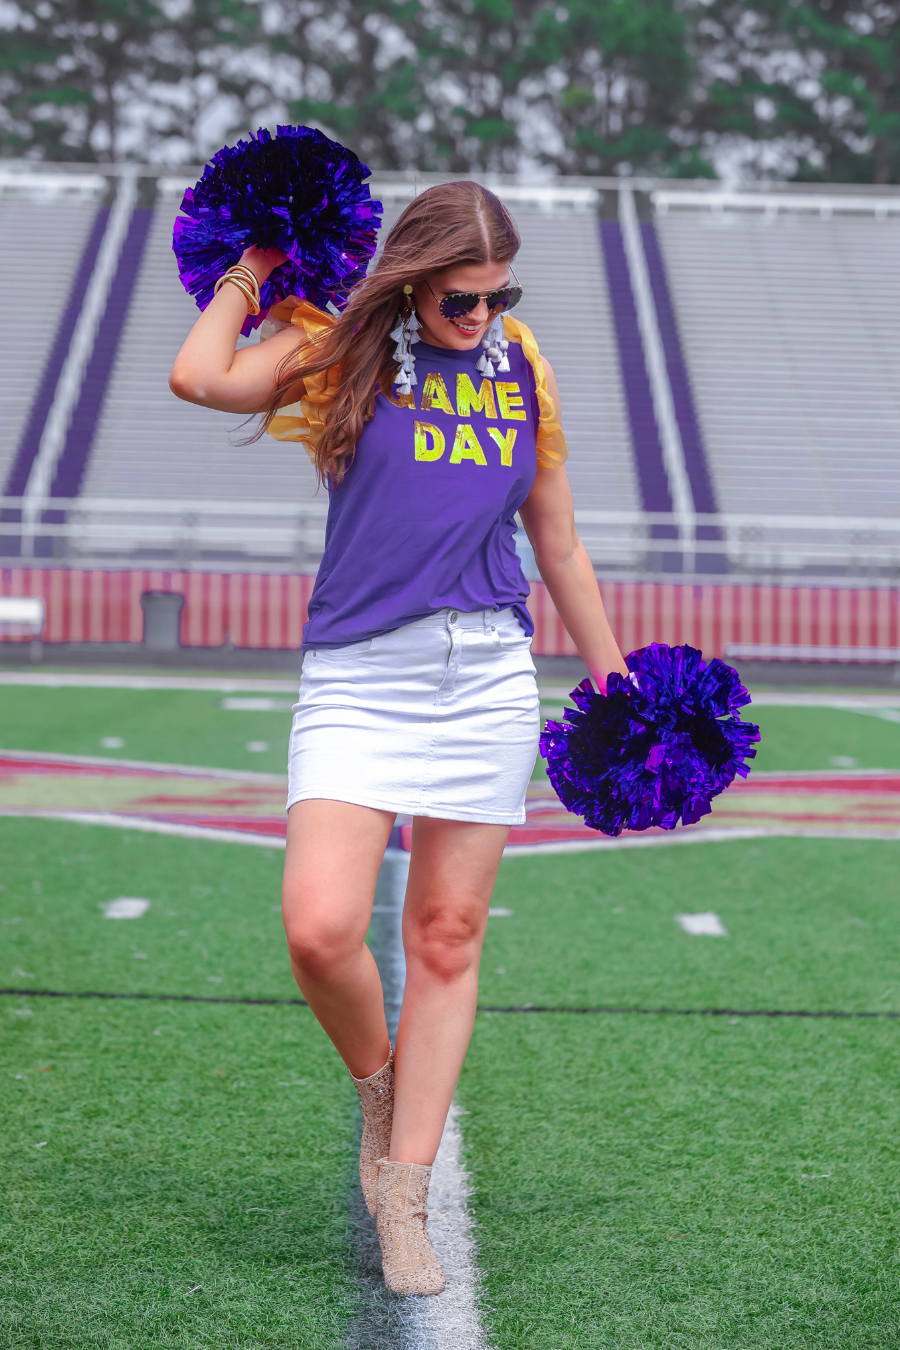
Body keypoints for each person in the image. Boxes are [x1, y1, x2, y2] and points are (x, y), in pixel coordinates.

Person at [170, 180, 627, 1296]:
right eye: (461, 298)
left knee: (448, 936)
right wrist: (252, 271)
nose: (482, 316)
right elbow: (200, 377)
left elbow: (558, 543)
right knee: (320, 928)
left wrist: (613, 679)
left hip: (488, 674)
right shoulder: (338, 348)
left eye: (499, 295)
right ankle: (380, 1087)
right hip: (361, 675)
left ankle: (407, 1194)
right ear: (413, 280)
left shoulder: (522, 364)